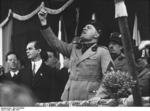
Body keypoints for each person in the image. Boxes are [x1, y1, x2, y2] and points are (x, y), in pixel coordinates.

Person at [38, 8, 114, 101]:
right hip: (70, 96)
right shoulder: (74, 48)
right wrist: (44, 22)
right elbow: (55, 43)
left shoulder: (102, 52)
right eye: (84, 27)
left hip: (90, 98)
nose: (84, 28)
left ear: (97, 34)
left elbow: (109, 76)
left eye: (89, 27)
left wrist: (100, 95)